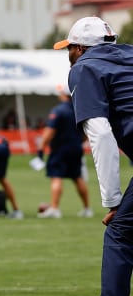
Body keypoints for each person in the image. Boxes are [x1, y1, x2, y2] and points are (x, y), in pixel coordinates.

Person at [55, 16, 132, 296]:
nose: (68, 56)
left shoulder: (85, 68)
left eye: (69, 49)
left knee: (120, 236)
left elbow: (100, 134)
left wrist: (113, 201)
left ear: (79, 48)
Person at [36, 83, 91, 219]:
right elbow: (85, 133)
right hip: (76, 148)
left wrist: (41, 146)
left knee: (56, 176)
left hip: (60, 149)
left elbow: (49, 131)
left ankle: (54, 208)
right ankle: (87, 208)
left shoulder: (58, 110)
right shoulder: (80, 109)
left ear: (63, 95)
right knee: (77, 177)